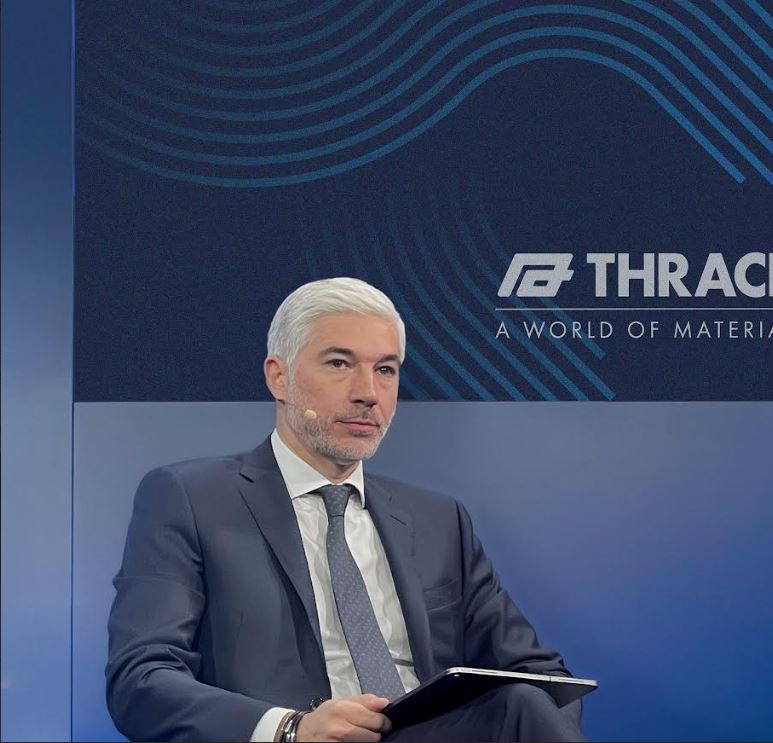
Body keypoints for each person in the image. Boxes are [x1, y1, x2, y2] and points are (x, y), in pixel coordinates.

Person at [106, 277, 584, 742]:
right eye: (339, 363)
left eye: (386, 370)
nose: (368, 393)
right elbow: (141, 678)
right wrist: (291, 729)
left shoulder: (439, 521)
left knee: (524, 700)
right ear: (279, 376)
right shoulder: (191, 499)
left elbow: (542, 676)